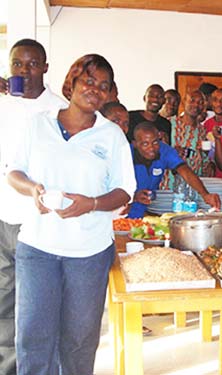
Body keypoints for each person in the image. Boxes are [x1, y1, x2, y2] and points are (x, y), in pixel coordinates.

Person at [7, 54, 136, 375]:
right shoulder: (38, 124)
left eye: (103, 86)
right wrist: (33, 189)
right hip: (38, 248)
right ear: (72, 81)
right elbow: (13, 172)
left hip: (89, 253)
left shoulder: (112, 136)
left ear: (109, 95)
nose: (95, 90)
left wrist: (91, 203)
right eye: (89, 80)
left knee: (79, 340)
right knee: (34, 337)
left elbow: (124, 192)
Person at [0, 38, 67, 375]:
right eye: (16, 64)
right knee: (3, 300)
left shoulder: (59, 109)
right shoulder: (2, 104)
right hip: (3, 218)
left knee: (39, 305)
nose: (23, 71)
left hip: (40, 222)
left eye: (31, 64)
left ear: (45, 67)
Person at [128, 122, 220, 218]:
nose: (151, 148)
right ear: (135, 144)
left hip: (149, 211)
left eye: (155, 142)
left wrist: (205, 195)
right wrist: (132, 196)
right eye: (145, 144)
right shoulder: (125, 155)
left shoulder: (164, 150)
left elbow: (185, 171)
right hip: (123, 212)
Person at [160, 90, 213, 190]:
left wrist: (209, 164)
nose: (196, 105)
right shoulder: (168, 124)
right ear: (184, 102)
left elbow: (205, 160)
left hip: (192, 190)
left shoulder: (202, 131)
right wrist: (172, 152)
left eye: (200, 102)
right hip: (168, 187)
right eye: (192, 100)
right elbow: (156, 153)